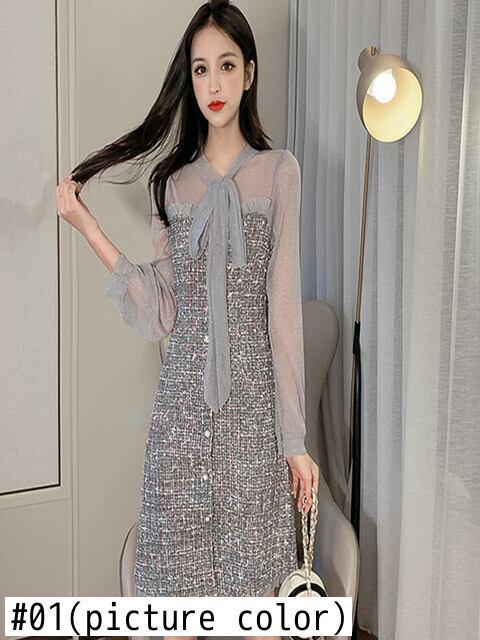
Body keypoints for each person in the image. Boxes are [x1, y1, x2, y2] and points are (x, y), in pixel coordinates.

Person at [56, 1, 319, 638]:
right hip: (180, 418)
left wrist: (294, 440)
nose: (214, 83)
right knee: (175, 602)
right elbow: (164, 308)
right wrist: (87, 227)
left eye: (227, 65)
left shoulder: (279, 172)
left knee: (252, 601)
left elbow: (282, 312)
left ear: (249, 73)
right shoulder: (172, 185)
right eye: (201, 69)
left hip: (253, 419)